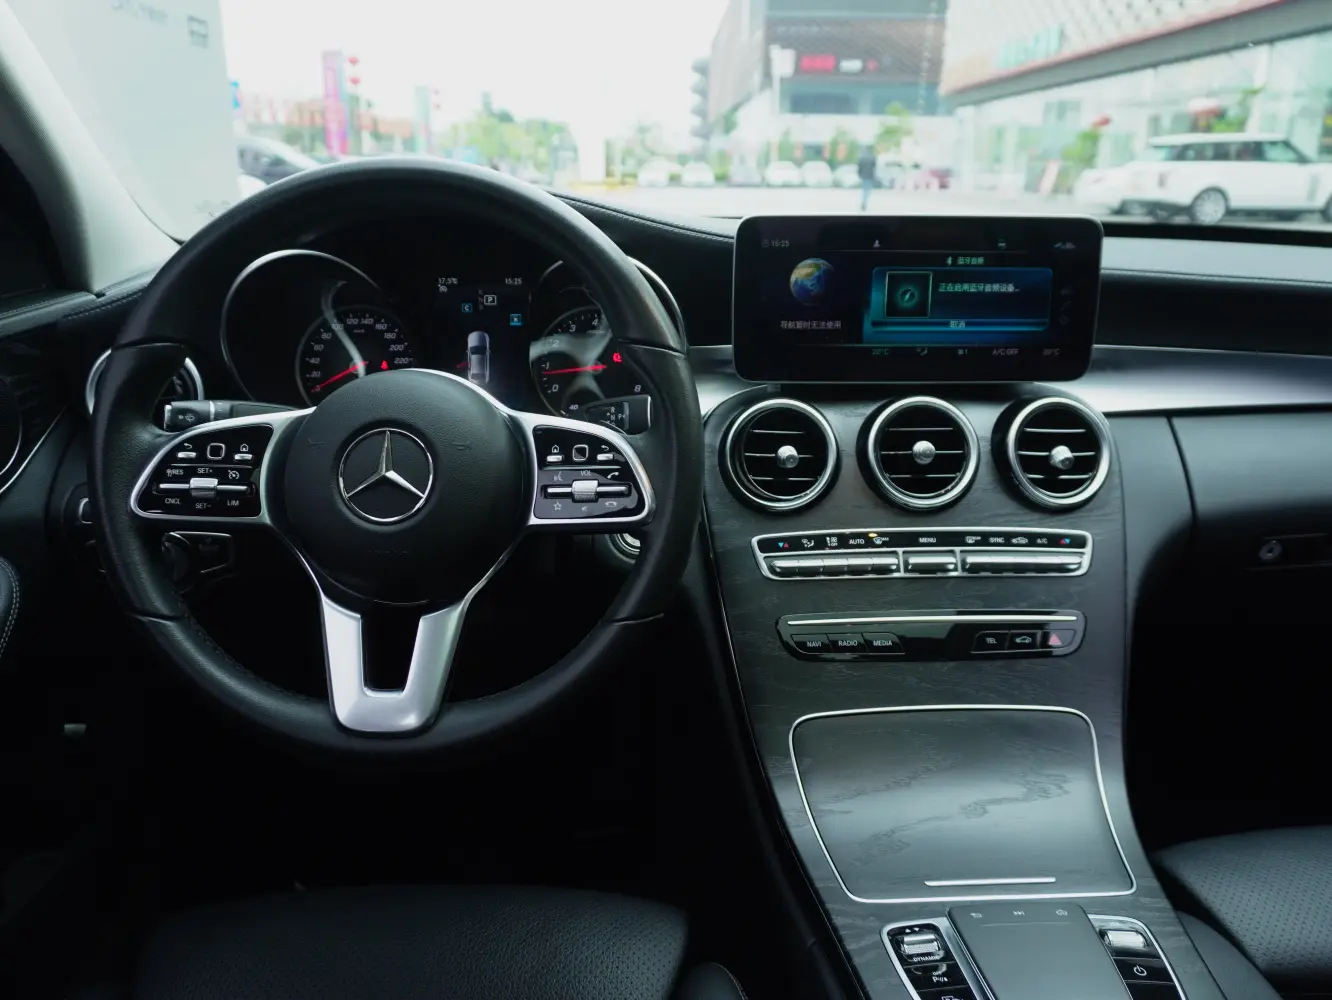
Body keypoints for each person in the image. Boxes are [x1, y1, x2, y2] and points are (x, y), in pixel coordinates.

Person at [858, 146, 877, 212]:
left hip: (863, 175)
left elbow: (859, 167)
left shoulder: (862, 158)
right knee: (867, 190)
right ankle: (864, 202)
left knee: (864, 189)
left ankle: (864, 202)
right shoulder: (873, 157)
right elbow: (874, 167)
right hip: (870, 175)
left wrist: (859, 174)